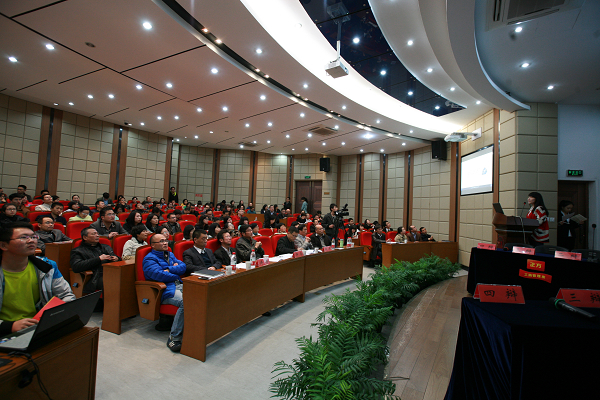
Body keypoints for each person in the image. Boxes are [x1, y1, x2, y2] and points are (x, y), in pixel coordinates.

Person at [0, 222, 75, 335]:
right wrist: (9, 326)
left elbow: (66, 295)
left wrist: (51, 316)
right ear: (3, 245)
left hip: (39, 326)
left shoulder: (47, 267)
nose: (31, 241)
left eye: (33, 236)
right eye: (23, 237)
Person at [143, 234, 186, 352]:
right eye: (161, 241)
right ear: (153, 245)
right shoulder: (149, 259)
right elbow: (159, 274)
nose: (165, 243)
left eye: (166, 240)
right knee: (185, 302)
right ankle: (174, 338)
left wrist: (170, 269)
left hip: (179, 284)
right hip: (166, 290)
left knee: (201, 294)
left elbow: (183, 266)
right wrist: (176, 273)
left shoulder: (170, 254)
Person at [70, 227, 120, 294]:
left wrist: (117, 258)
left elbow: (118, 259)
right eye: (93, 234)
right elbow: (76, 266)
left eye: (97, 233)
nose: (97, 235)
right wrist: (98, 259)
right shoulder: (78, 251)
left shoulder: (105, 247)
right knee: (111, 282)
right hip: (95, 277)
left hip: (111, 273)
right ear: (85, 237)